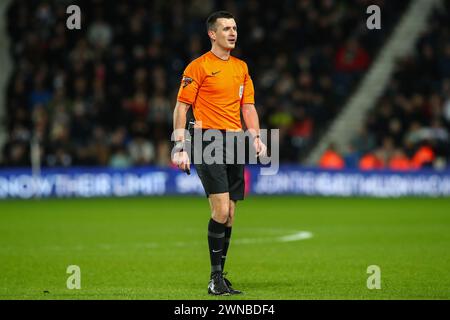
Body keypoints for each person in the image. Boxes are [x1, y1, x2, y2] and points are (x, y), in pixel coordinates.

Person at [171, 11, 266, 295]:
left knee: (232, 214)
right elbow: (181, 107)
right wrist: (180, 145)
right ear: (212, 34)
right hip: (208, 140)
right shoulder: (197, 67)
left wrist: (257, 138)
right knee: (221, 210)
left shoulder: (241, 67)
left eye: (235, 28)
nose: (232, 32)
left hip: (236, 141)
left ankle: (220, 276)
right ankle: (214, 278)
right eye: (226, 28)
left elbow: (247, 107)